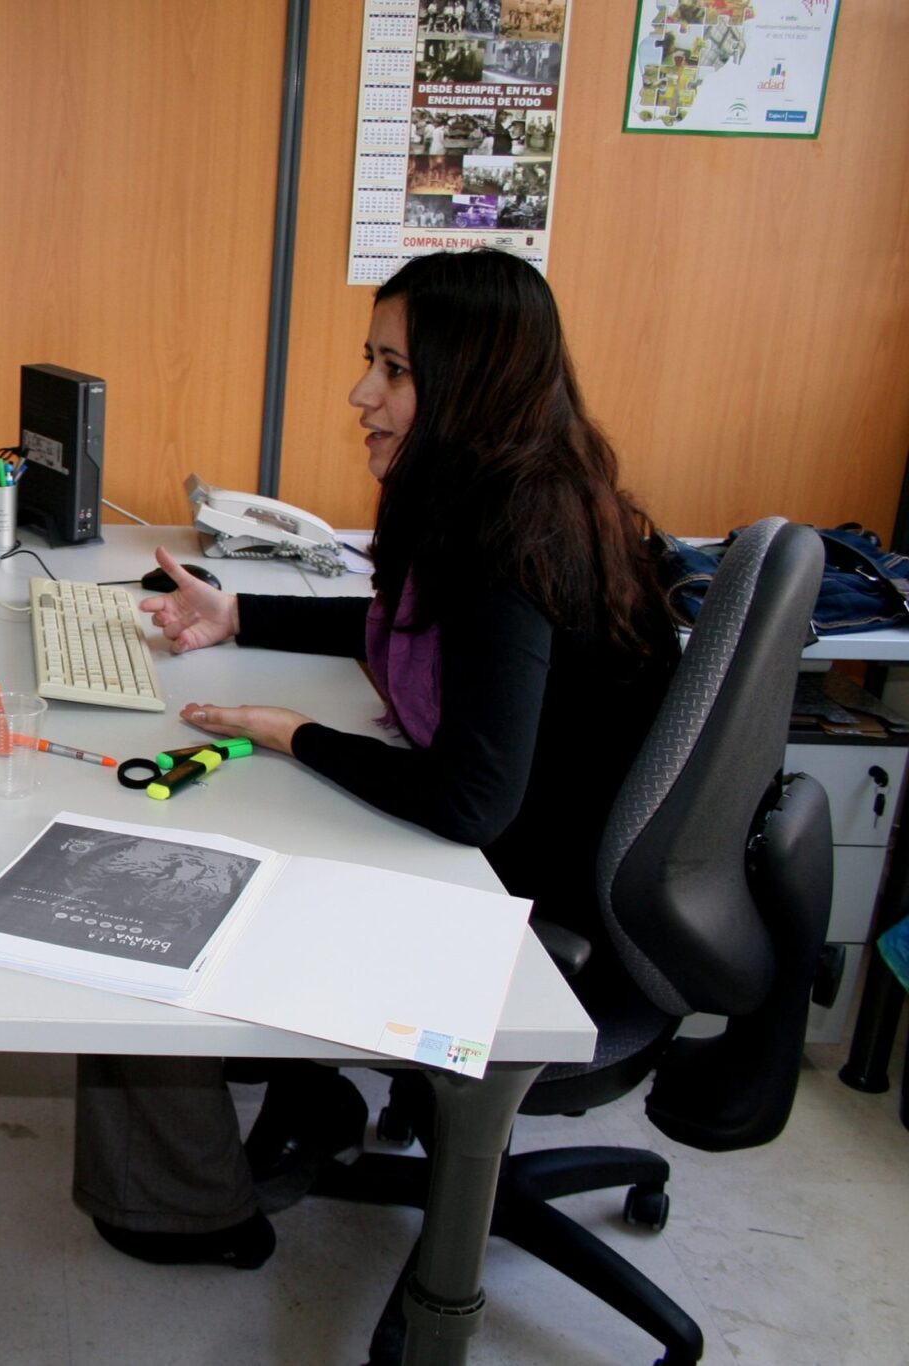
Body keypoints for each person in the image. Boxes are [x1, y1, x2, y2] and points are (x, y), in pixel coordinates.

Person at [73, 249, 680, 1269]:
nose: (361, 392)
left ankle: (187, 1209)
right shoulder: (525, 487)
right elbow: (416, 626)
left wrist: (287, 732)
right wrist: (237, 612)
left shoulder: (506, 532)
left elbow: (469, 800)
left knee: (147, 884)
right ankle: (302, 1094)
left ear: (469, 383)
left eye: (392, 369)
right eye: (371, 360)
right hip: (547, 869)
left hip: (530, 926)